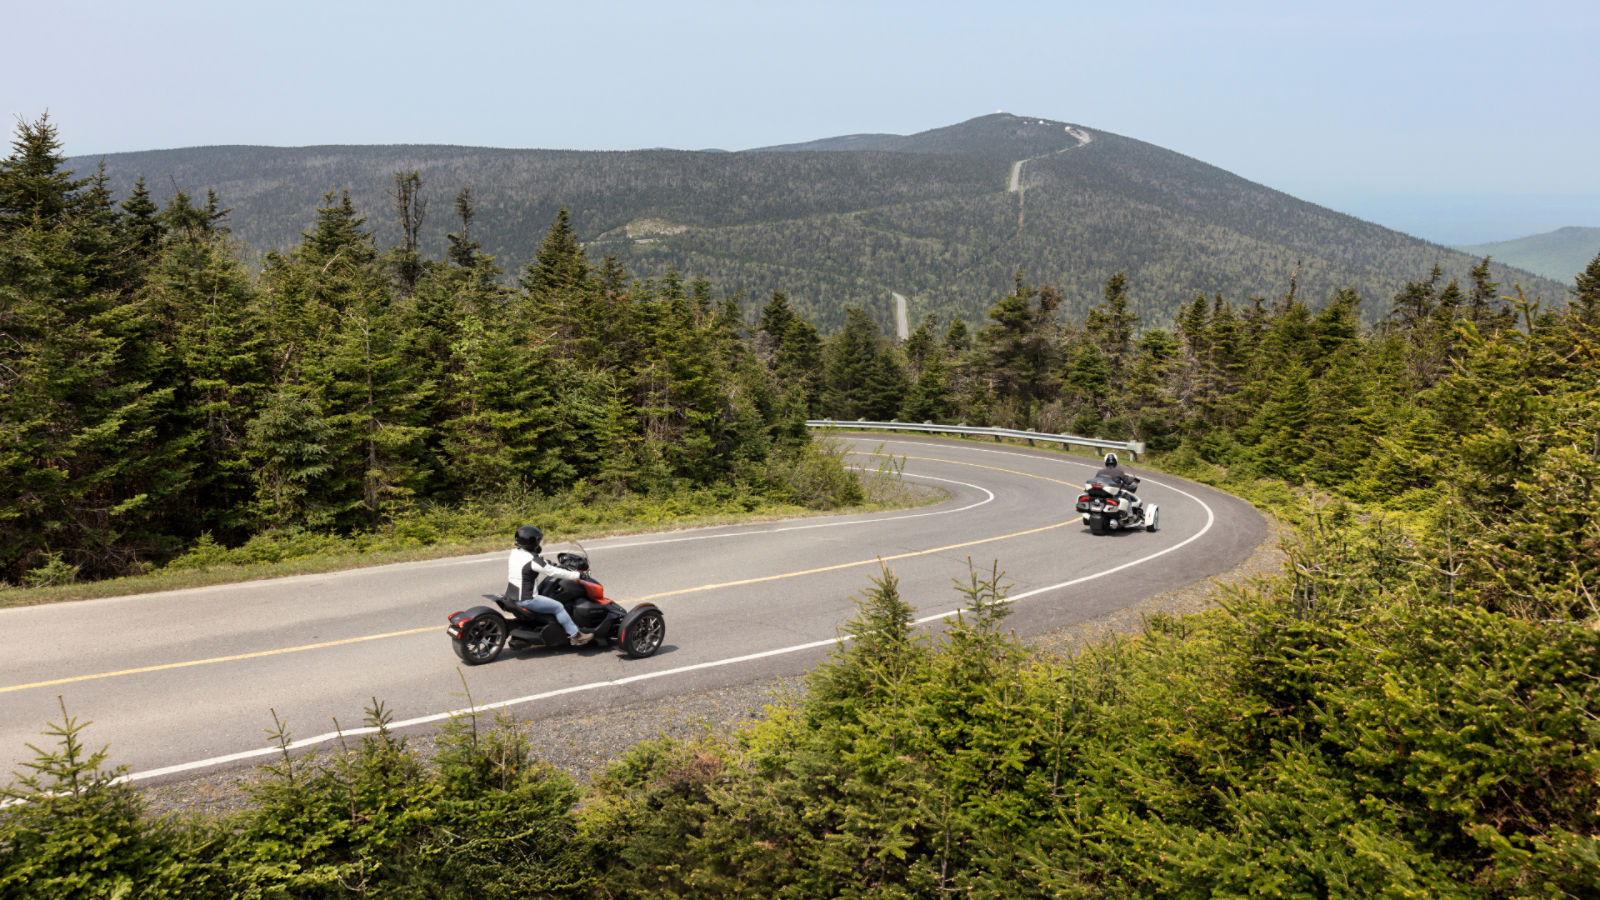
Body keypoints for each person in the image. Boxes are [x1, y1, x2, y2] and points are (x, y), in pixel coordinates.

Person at [505, 525, 593, 646]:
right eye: (538, 541)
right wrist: (578, 575)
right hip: (527, 600)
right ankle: (576, 636)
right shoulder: (533, 561)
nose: (539, 544)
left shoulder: (514, 553)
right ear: (531, 542)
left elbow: (538, 565)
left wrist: (546, 563)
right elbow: (554, 572)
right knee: (558, 607)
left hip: (512, 595)